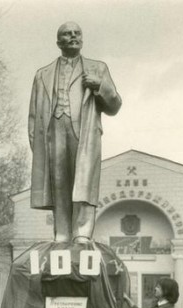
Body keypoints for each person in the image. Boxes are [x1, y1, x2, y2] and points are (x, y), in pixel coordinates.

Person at [28, 22, 122, 243]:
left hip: (84, 132)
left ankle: (82, 233)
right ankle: (61, 233)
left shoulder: (97, 68)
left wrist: (99, 86)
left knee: (84, 183)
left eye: (77, 33)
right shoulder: (43, 74)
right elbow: (33, 115)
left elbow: (115, 106)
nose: (73, 37)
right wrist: (38, 147)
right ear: (58, 41)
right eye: (67, 34)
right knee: (58, 184)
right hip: (53, 134)